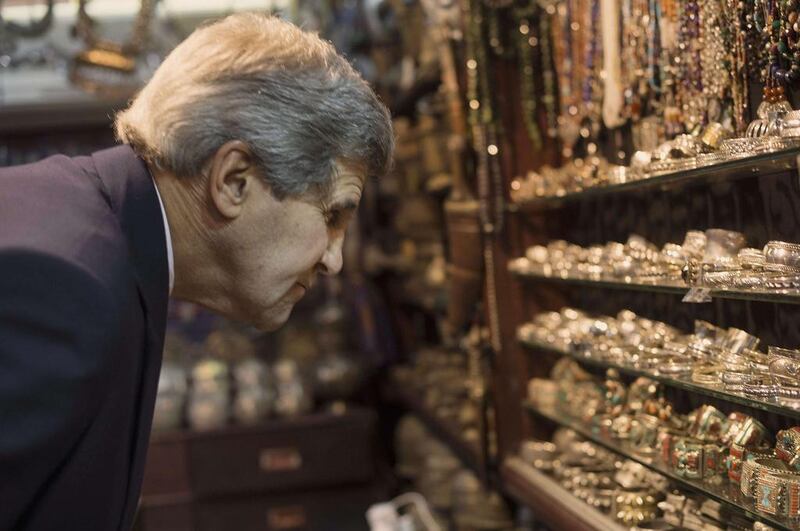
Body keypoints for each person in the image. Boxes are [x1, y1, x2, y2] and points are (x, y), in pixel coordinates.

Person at [0, 13, 393, 531]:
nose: (333, 258)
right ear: (234, 180)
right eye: (333, 214)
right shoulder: (67, 286)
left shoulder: (97, 237)